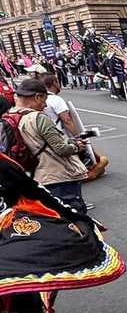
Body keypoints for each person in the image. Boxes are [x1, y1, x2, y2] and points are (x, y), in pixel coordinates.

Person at [0, 152, 125, 313]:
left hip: (18, 234)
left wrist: (74, 215)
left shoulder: (4, 166)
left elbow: (38, 192)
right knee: (15, 292)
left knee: (22, 285)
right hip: (6, 240)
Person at [9, 79, 89, 214]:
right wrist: (76, 146)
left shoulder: (9, 116)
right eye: (44, 100)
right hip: (55, 175)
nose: (45, 105)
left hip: (32, 175)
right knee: (74, 216)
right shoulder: (38, 118)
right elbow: (61, 148)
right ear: (37, 97)